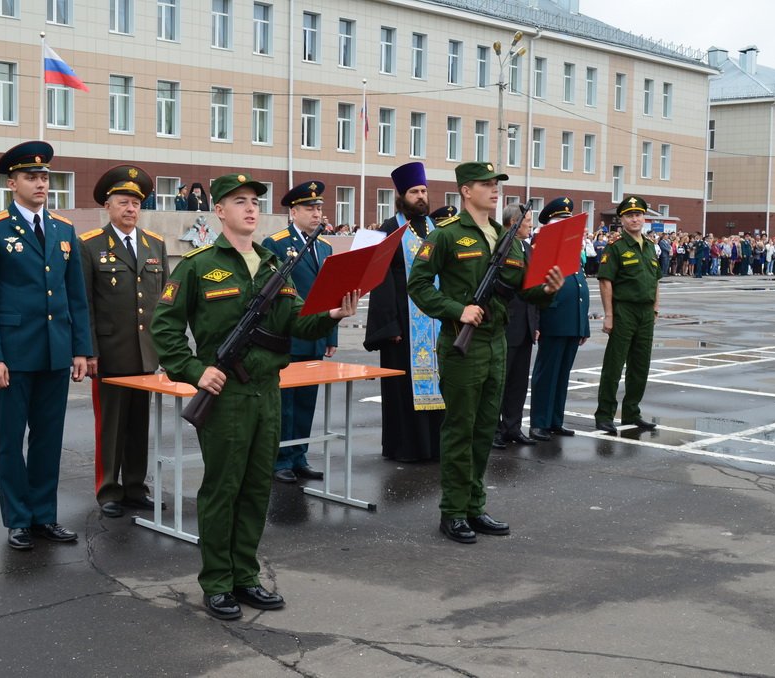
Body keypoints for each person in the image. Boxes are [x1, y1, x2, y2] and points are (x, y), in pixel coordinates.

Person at [151, 173, 359, 621]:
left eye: (254, 202)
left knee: (255, 488)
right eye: (239, 201)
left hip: (267, 393)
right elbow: (164, 326)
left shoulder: (271, 265)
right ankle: (217, 581)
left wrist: (330, 314)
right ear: (220, 211)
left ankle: (245, 575)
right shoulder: (198, 265)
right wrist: (193, 371)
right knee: (223, 489)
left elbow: (295, 325)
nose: (250, 208)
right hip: (224, 396)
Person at [407, 162, 562, 544]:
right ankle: (453, 511)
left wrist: (548, 289)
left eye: (497, 185)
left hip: (496, 343)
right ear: (465, 191)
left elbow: (524, 289)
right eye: (487, 185)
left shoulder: (503, 236)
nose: (495, 191)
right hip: (463, 345)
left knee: (483, 430)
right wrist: (456, 310)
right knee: (460, 429)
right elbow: (419, 285)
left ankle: (475, 505)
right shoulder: (446, 235)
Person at [0, 140, 92, 551]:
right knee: (10, 439)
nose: (41, 183)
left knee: (48, 438)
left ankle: (44, 516)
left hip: (55, 352)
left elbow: (76, 297)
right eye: (31, 177)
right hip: (13, 355)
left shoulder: (62, 229)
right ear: (12, 182)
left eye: (44, 177)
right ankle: (18, 519)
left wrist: (80, 350)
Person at [80, 165, 169, 519]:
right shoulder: (90, 246)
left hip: (145, 355)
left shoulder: (155, 245)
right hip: (110, 354)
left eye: (135, 203)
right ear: (107, 206)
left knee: (138, 426)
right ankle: (108, 490)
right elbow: (84, 303)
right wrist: (89, 352)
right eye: (123, 202)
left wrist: (164, 348)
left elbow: (164, 303)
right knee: (111, 427)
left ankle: (135, 486)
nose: (130, 209)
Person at [363, 162, 444, 463]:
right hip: (403, 327)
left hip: (436, 326)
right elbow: (380, 282)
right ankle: (406, 448)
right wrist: (390, 326)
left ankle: (435, 446)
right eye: (414, 192)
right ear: (401, 196)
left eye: (423, 191)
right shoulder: (389, 230)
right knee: (403, 391)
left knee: (440, 384)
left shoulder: (436, 229)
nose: (421, 196)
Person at [262, 180, 335, 483]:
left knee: (306, 402)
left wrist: (330, 336)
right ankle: (280, 459)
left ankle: (299, 456)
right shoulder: (276, 244)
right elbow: (271, 294)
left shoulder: (324, 246)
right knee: (286, 405)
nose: (316, 213)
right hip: (289, 337)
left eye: (319, 207)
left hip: (315, 337)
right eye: (309, 208)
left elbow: (331, 293)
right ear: (293, 211)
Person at [594, 196, 662, 435]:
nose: (635, 218)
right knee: (614, 364)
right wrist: (609, 315)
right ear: (621, 219)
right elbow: (606, 282)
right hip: (624, 310)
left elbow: (655, 280)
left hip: (645, 312)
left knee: (640, 364)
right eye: (630, 215)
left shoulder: (651, 246)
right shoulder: (616, 247)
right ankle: (604, 414)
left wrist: (655, 307)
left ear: (644, 218)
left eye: (639, 214)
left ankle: (632, 411)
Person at [528, 197, 590, 440]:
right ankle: (539, 422)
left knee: (563, 374)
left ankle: (555, 420)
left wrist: (583, 325)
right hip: (552, 320)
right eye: (562, 221)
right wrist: (537, 324)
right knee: (547, 374)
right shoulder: (544, 247)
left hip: (571, 321)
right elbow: (533, 289)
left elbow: (579, 287)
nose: (568, 225)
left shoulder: (572, 249)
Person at [492, 201, 539, 449]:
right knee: (500, 382)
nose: (531, 224)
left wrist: (536, 322)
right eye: (528, 220)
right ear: (514, 223)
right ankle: (495, 430)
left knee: (519, 383)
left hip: (526, 326)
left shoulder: (527, 248)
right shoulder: (504, 246)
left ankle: (513, 427)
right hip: (507, 324)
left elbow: (533, 288)